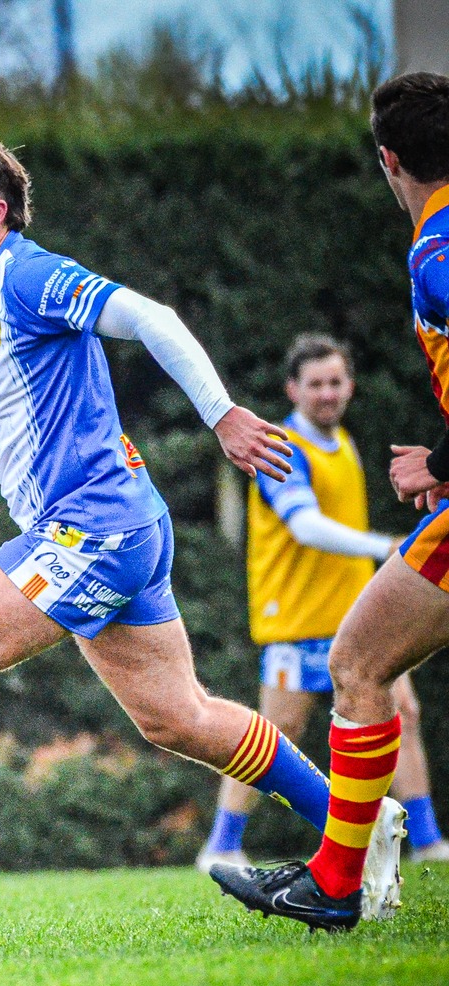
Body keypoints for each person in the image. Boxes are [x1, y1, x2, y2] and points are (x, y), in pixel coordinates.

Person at [0, 125, 404, 940]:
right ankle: (362, 825)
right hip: (124, 525)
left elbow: (151, 317)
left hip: (92, 528)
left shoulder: (28, 275)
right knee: (179, 719)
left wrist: (223, 414)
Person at [213, 72, 449, 931]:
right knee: (355, 682)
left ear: (389, 160)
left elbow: (318, 526)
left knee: (358, 669)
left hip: (331, 595)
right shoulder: (314, 444)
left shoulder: (435, 247)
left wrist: (439, 460)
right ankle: (316, 866)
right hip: (294, 609)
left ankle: (336, 881)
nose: (330, 392)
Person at [197, 333, 449, 873]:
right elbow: (306, 527)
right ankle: (220, 845)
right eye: (315, 384)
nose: (328, 394)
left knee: (404, 712)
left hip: (355, 614)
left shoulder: (347, 444)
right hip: (294, 618)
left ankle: (429, 841)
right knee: (276, 732)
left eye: (336, 382)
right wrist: (387, 548)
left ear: (350, 385)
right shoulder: (279, 448)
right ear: (293, 389)